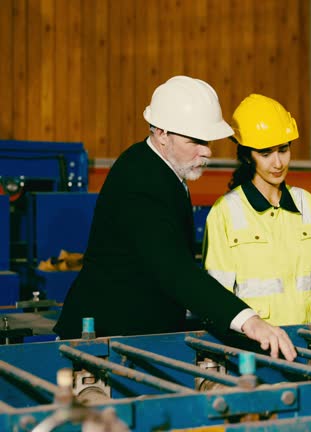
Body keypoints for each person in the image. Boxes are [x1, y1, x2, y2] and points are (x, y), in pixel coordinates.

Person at [54, 76, 296, 360]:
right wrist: (248, 320)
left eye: (207, 140)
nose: (206, 151)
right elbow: (173, 269)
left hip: (136, 331)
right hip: (105, 338)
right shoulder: (140, 181)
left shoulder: (163, 169)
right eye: (195, 141)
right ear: (162, 134)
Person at [203, 94, 311, 325]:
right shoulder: (225, 212)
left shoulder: (304, 202)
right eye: (265, 153)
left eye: (284, 149)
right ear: (247, 156)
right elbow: (217, 297)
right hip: (255, 345)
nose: (278, 163)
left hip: (307, 342)